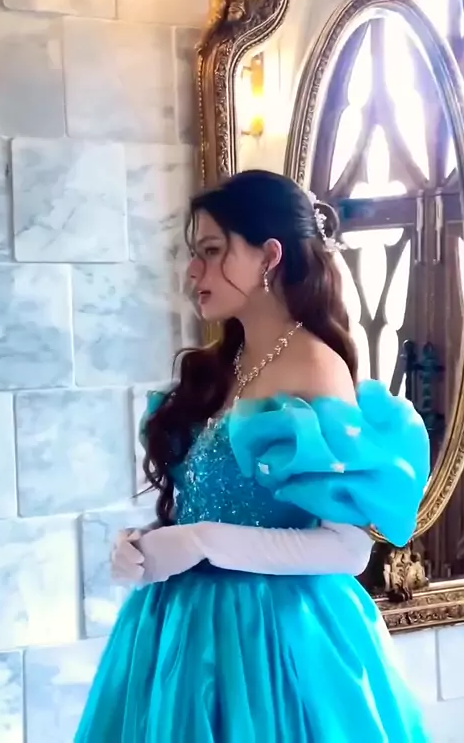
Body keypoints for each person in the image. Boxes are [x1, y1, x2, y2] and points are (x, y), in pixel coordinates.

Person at [75, 170, 431, 742]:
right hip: (177, 631)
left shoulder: (314, 367)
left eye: (212, 251)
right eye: (195, 254)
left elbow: (347, 548)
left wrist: (201, 541)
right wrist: (146, 543)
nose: (193, 271)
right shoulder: (223, 366)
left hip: (274, 643)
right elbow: (212, 498)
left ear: (269, 256)